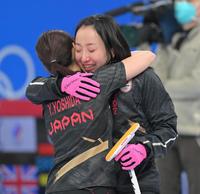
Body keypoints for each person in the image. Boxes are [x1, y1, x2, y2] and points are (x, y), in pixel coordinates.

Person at [26, 27, 155, 194]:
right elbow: (147, 55)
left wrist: (60, 84)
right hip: (94, 185)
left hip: (57, 186)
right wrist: (105, 57)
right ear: (75, 48)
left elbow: (32, 89)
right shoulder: (97, 81)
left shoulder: (47, 93)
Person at [73, 14, 177, 194]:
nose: (83, 58)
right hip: (91, 185)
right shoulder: (74, 84)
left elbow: (168, 128)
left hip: (137, 182)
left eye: (91, 50)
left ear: (111, 49)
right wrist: (59, 86)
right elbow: (36, 90)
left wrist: (144, 148)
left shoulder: (143, 79)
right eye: (78, 49)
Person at [151, 0, 200, 194]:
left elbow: (195, 85)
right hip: (167, 130)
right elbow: (155, 79)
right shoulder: (172, 39)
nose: (182, 5)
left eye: (189, 1)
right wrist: (159, 43)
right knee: (164, 188)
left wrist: (164, 88)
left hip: (195, 130)